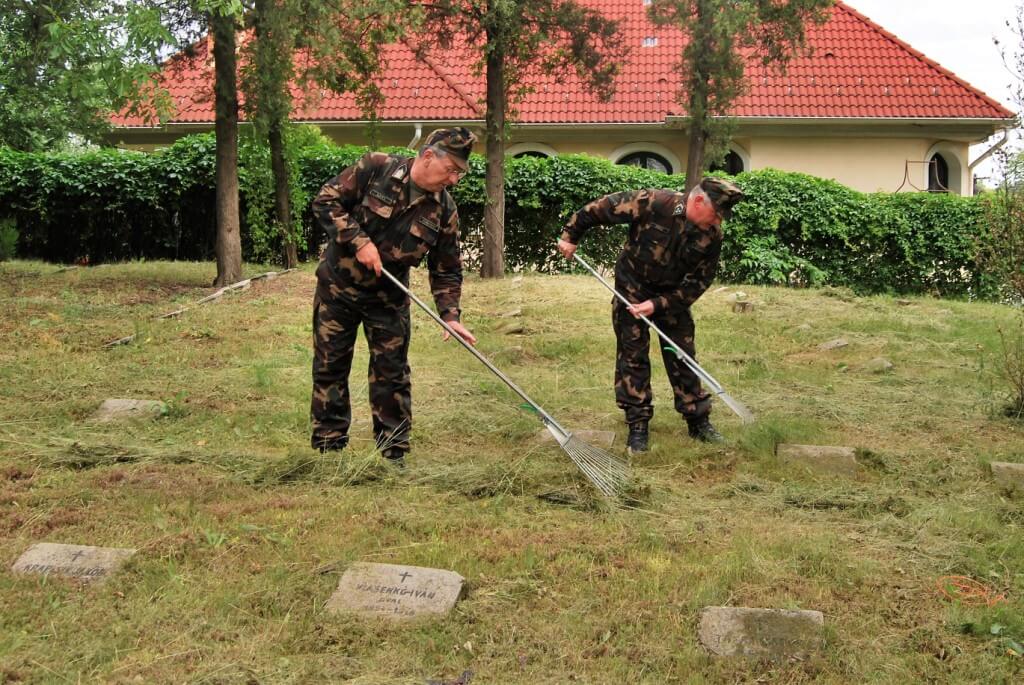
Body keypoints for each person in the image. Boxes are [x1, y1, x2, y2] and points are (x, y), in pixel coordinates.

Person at [310, 127, 478, 466]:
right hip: (338, 290)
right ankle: (328, 448)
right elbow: (326, 200)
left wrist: (451, 315)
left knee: (392, 373)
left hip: (389, 299)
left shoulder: (444, 210)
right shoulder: (377, 168)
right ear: (429, 156)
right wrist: (359, 241)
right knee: (330, 366)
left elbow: (446, 268)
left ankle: (393, 451)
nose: (454, 180)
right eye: (452, 170)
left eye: (460, 173)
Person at [556, 177, 744, 454]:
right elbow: (600, 208)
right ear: (699, 200)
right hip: (631, 288)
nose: (718, 221)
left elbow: (698, 283)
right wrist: (570, 236)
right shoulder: (654, 202)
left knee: (683, 356)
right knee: (633, 356)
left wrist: (658, 305)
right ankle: (638, 425)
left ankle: (698, 421)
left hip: (671, 300)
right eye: (716, 213)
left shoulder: (712, 235)